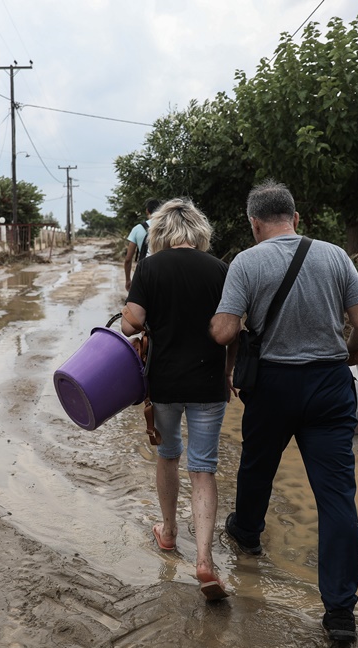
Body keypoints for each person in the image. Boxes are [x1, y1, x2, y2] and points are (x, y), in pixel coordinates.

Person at [209, 180, 358, 641]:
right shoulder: (334, 255)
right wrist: (351, 353)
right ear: (296, 219)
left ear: (254, 224)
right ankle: (341, 613)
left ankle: (246, 531)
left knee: (257, 463)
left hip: (273, 386)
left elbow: (224, 333)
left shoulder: (246, 262)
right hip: (328, 384)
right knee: (337, 495)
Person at [121, 198, 234, 601]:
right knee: (203, 468)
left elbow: (131, 322)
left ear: (160, 232)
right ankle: (204, 559)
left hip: (164, 382)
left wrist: (134, 314)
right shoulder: (220, 269)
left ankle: (168, 534)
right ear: (198, 231)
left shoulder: (150, 267)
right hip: (208, 383)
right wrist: (228, 370)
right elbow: (234, 326)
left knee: (168, 455)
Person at [123, 198, 161, 291]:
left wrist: (128, 280)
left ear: (147, 211)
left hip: (144, 273)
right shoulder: (167, 227)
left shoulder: (137, 229)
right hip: (163, 272)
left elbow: (128, 259)